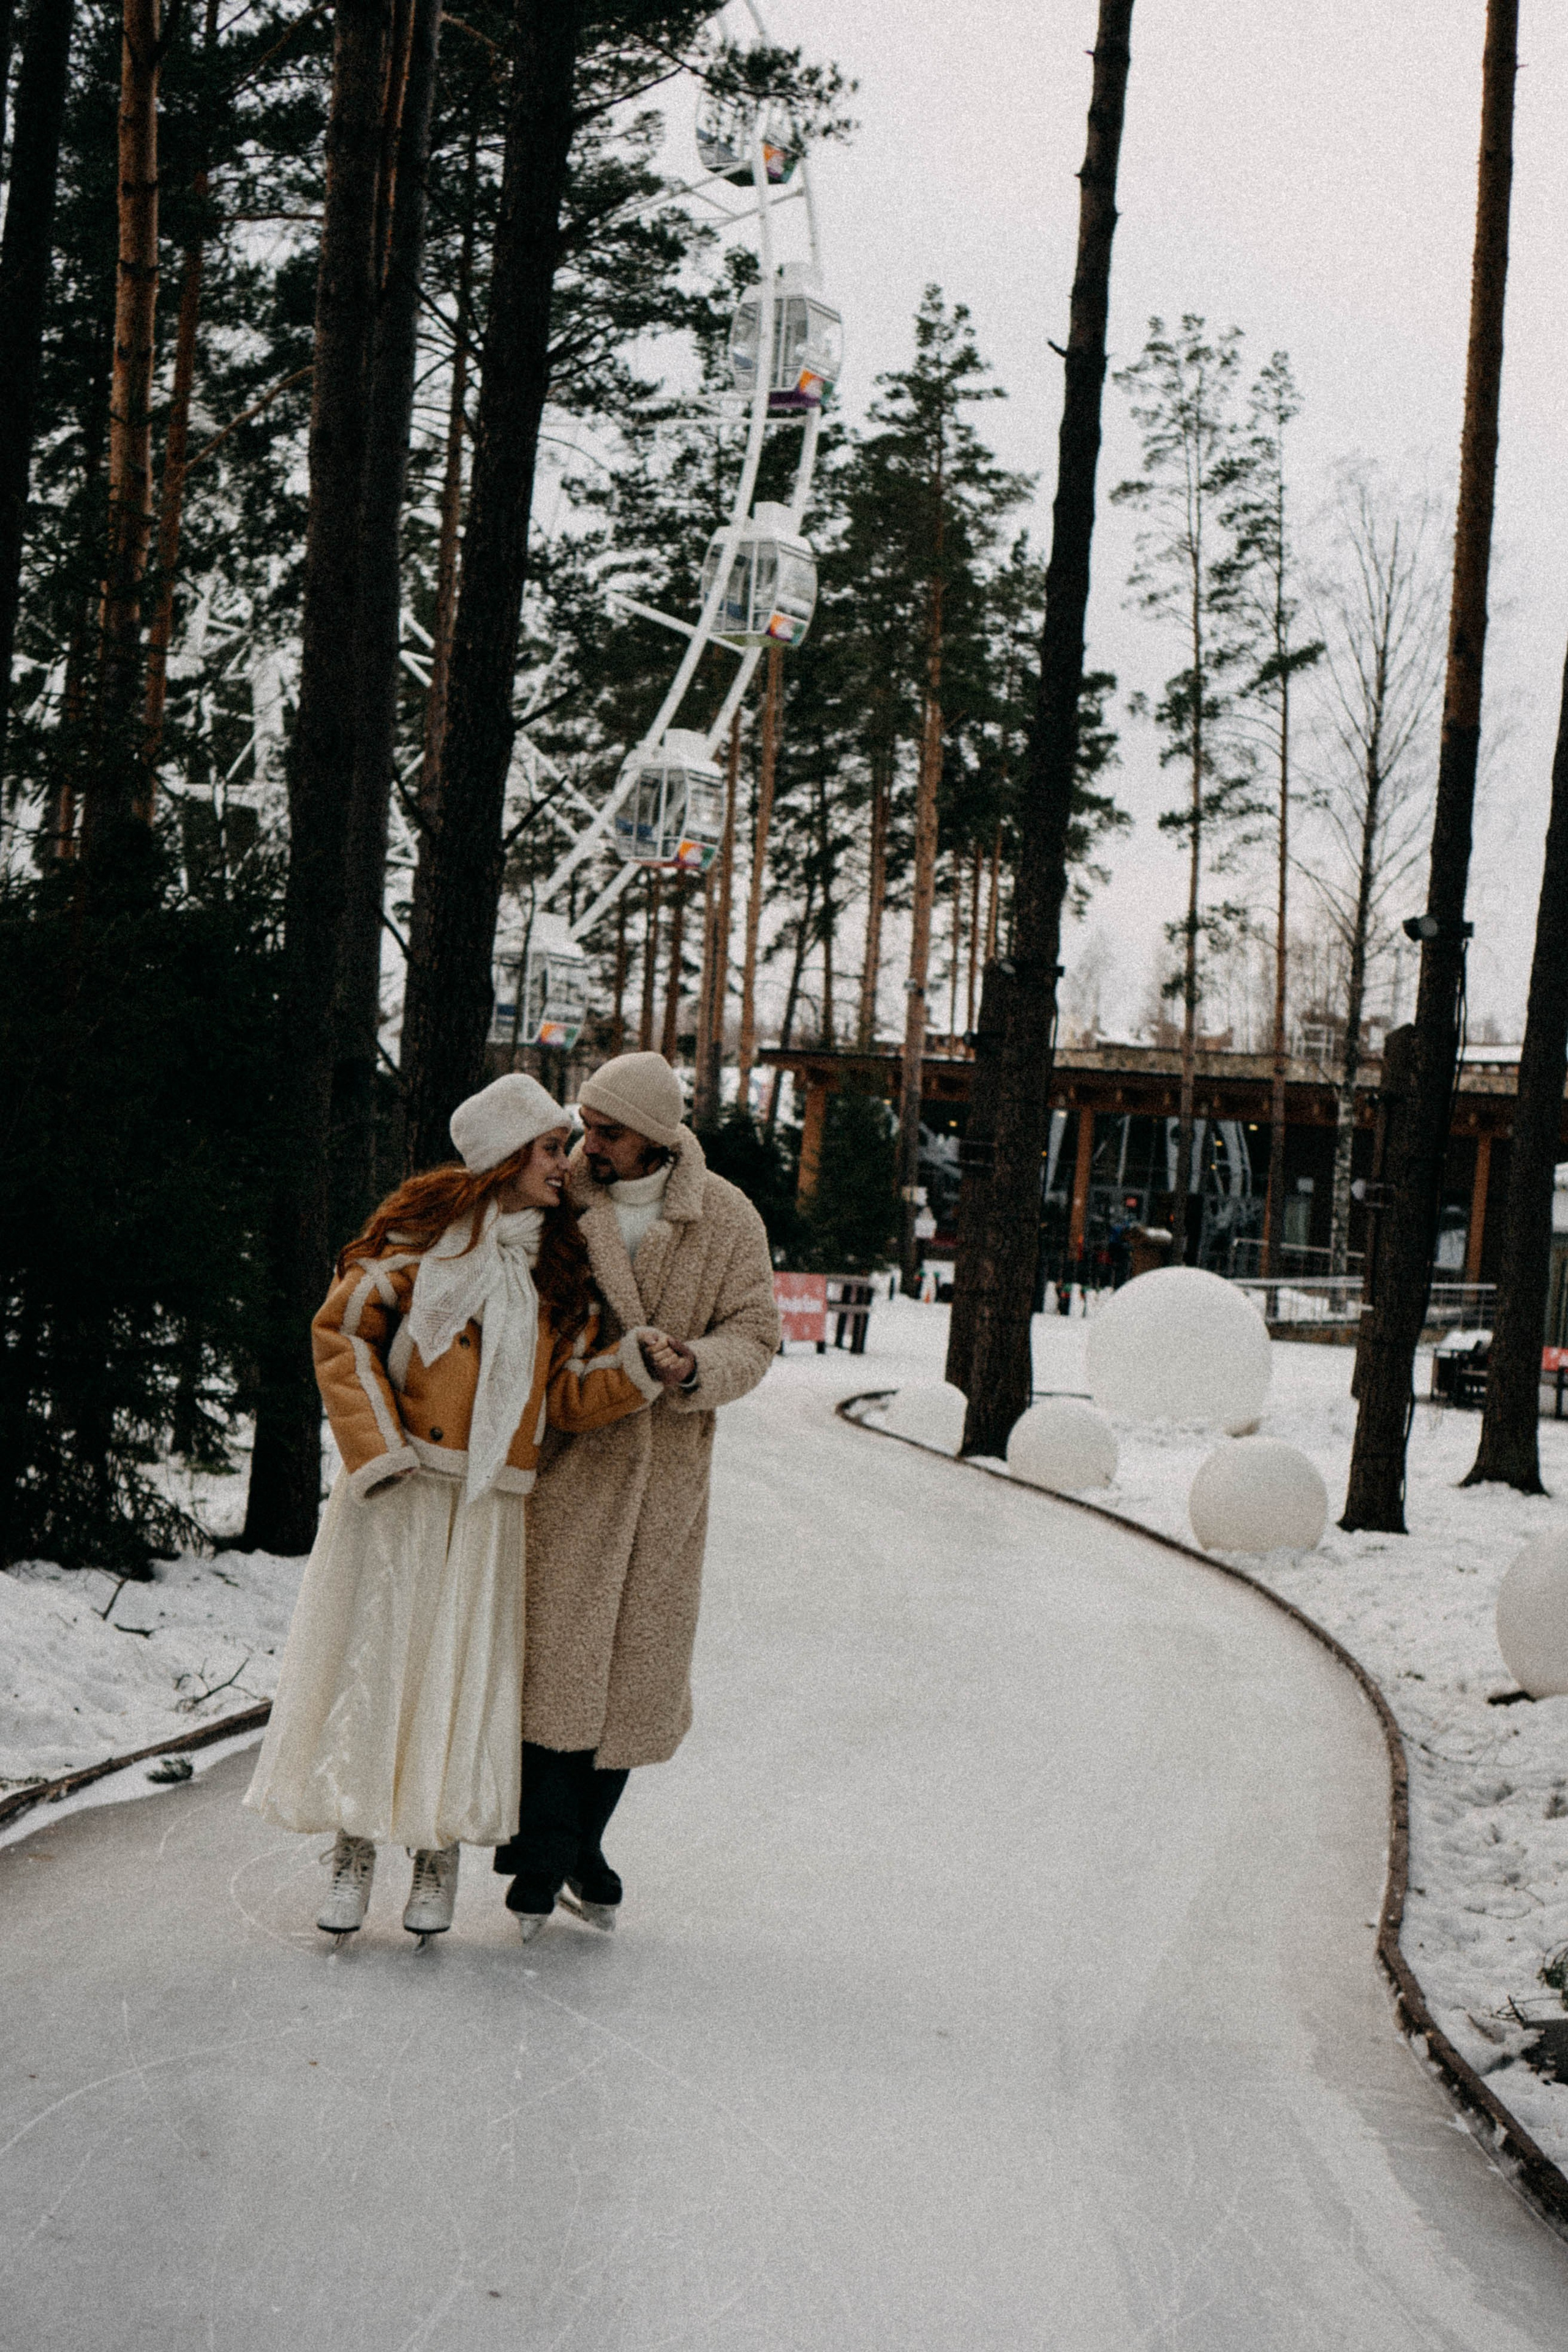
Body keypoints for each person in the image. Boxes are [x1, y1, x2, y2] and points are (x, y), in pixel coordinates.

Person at [244, 1073, 681, 1945]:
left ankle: (434, 1853)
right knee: (379, 1666)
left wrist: (635, 1367)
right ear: (505, 1155)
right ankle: (354, 1847)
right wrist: (379, 1451)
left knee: (458, 1679)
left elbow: (564, 1395)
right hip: (401, 1492)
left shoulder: (558, 1265)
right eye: (551, 1148)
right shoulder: (416, 1244)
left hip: (489, 1509)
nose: (565, 1163)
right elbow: (342, 1334)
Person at [494, 1050, 781, 1939]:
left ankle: (583, 1845)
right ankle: (545, 1854)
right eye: (585, 1126)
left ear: (656, 1137)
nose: (589, 1145)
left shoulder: (724, 1217)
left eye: (608, 1132)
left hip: (665, 1479)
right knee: (557, 1664)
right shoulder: (560, 1200)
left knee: (634, 1674)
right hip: (570, 1463)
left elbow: (757, 1334)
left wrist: (695, 1366)